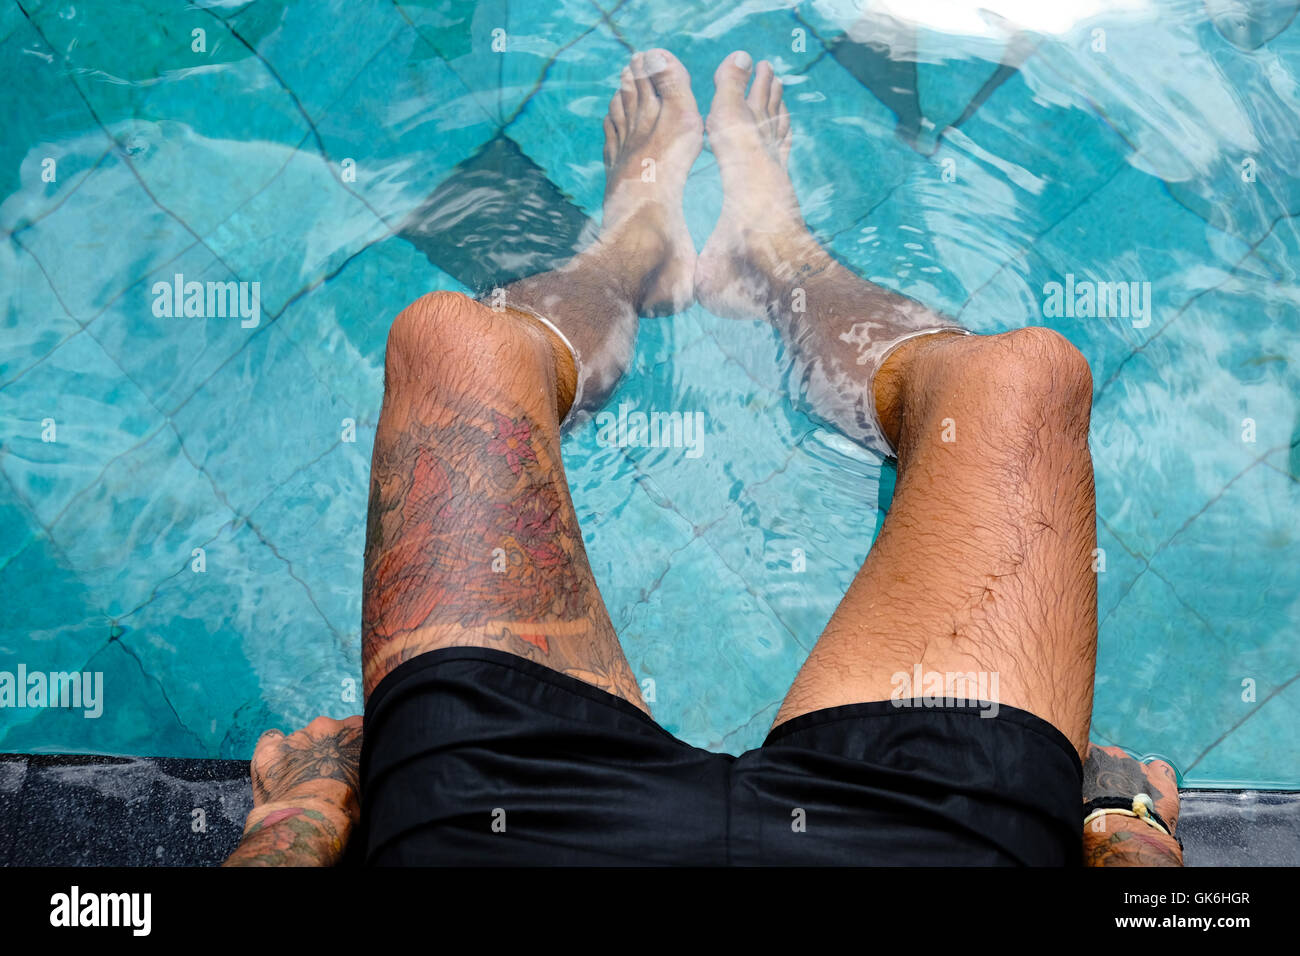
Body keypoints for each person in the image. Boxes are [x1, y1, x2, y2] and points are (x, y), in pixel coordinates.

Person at [224, 50, 1182, 867]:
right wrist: (1124, 831)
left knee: (454, 345)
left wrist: (300, 814)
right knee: (1023, 380)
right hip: (916, 843)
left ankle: (630, 254)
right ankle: (779, 261)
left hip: (508, 840)